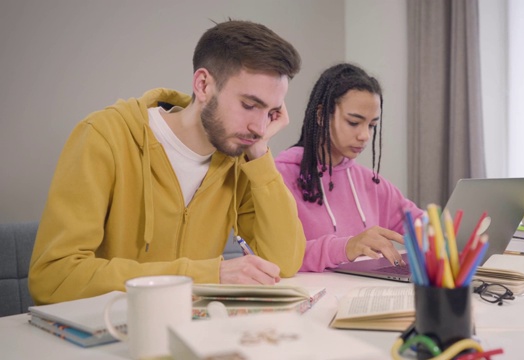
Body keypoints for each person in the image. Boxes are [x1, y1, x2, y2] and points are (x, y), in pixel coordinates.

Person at [29, 20, 306, 305]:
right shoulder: (105, 136)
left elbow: (283, 262)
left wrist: (260, 152)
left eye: (271, 112)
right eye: (249, 106)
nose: (260, 126)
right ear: (203, 85)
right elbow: (54, 277)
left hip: (191, 335)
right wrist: (203, 275)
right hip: (111, 334)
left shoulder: (239, 157)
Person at [275, 63, 423, 272]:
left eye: (371, 125)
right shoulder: (278, 178)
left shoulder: (370, 182)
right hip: (313, 299)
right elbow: (277, 256)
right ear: (321, 116)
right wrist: (347, 247)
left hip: (367, 297)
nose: (365, 135)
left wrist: (444, 234)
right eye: (354, 122)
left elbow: (420, 224)